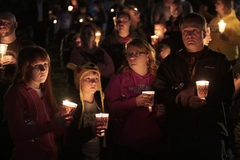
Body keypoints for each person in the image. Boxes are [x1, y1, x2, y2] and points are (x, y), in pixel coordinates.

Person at [154, 12, 234, 160]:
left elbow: (227, 90)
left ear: (204, 32)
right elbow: (160, 89)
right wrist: (183, 99)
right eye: (186, 31)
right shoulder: (171, 61)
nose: (190, 35)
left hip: (211, 130)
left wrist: (197, 91)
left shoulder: (219, 60)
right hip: (179, 130)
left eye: (195, 31)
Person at [4, 46, 72, 160]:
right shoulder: (17, 93)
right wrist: (54, 124)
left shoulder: (46, 94)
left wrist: (63, 121)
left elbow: (54, 133)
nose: (43, 69)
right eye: (37, 65)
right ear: (25, 68)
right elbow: (17, 133)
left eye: (45, 64)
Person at [105, 38, 166, 159]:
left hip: (153, 143)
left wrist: (160, 111)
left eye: (137, 53)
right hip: (126, 144)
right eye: (129, 54)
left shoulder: (158, 78)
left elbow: (166, 104)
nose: (132, 58)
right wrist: (134, 102)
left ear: (148, 55)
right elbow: (108, 107)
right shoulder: (119, 79)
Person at [0, 11, 34, 160]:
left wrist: (17, 61)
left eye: (6, 22)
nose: (1, 25)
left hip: (18, 101)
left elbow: (37, 67)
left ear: (15, 25)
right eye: (0, 22)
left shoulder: (25, 46)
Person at [59, 61, 106, 160]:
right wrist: (90, 132)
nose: (93, 82)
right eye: (87, 78)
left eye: (96, 79)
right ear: (78, 81)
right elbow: (70, 136)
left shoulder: (101, 104)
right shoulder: (73, 106)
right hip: (78, 155)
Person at [69, 22, 114, 91]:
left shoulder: (101, 51)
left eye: (89, 34)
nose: (86, 36)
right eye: (83, 34)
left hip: (103, 88)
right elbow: (85, 71)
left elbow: (111, 69)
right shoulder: (77, 52)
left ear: (94, 37)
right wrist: (101, 67)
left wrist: (95, 69)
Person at [208, 0, 240, 66]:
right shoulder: (214, 21)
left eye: (218, 3)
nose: (215, 4)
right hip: (214, 56)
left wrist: (227, 38)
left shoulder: (234, 22)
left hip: (228, 57)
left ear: (226, 5)